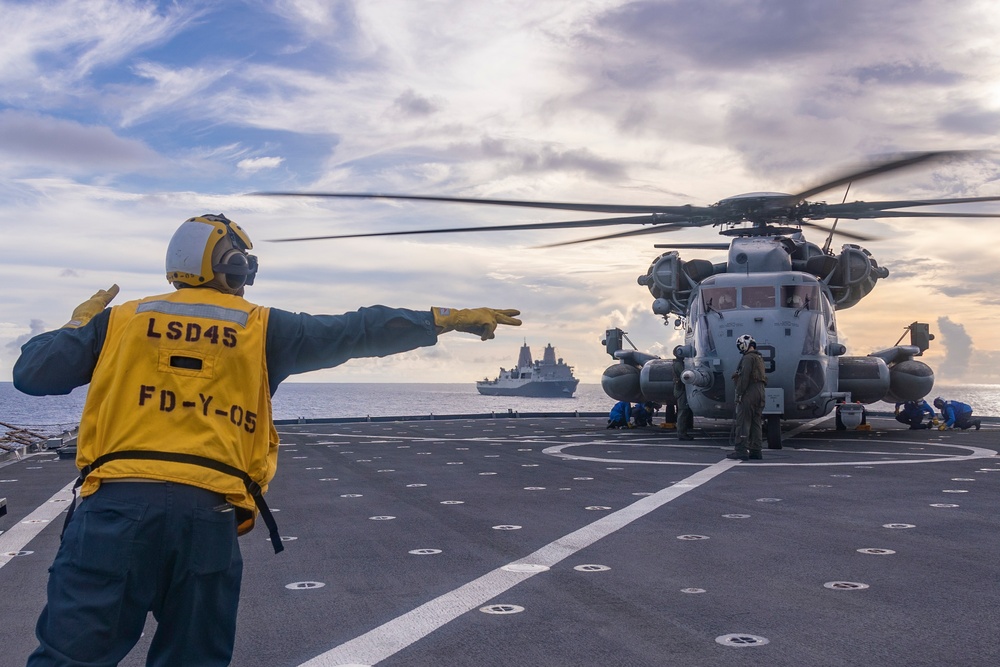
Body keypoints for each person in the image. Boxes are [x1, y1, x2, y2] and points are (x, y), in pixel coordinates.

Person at [12, 213, 522, 667]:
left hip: (114, 514)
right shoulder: (260, 328)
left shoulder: (119, 322)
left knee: (69, 656)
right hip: (206, 519)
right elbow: (356, 330)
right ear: (229, 264)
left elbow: (33, 373)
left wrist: (78, 323)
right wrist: (441, 320)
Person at [727, 334, 767, 461]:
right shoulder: (759, 357)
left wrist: (739, 394)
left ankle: (741, 450)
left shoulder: (748, 359)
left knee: (743, 422)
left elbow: (744, 378)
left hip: (749, 392)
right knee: (756, 423)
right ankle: (756, 450)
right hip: (760, 391)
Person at [671, 346, 694, 440]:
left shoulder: (678, 363)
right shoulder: (678, 364)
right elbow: (685, 374)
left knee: (683, 411)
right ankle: (681, 433)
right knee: (682, 411)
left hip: (680, 390)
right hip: (681, 390)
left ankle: (683, 432)